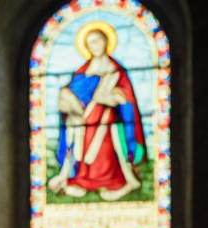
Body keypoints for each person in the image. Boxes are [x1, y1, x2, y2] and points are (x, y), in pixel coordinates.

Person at [47, 22, 147, 202]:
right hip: (84, 119)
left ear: (106, 41)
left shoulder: (116, 71)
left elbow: (127, 99)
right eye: (91, 42)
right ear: (86, 47)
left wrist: (115, 97)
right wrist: (70, 105)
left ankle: (121, 180)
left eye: (98, 40)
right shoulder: (82, 72)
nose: (96, 45)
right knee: (77, 132)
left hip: (109, 120)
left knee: (108, 140)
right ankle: (80, 178)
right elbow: (72, 95)